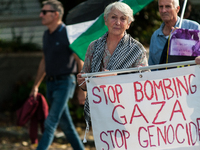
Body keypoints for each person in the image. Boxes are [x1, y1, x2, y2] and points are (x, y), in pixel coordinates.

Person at [77, 1, 148, 131]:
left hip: (128, 113)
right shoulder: (93, 47)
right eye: (114, 17)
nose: (118, 22)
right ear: (105, 20)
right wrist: (82, 82)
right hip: (100, 111)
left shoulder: (137, 49)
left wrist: (117, 78)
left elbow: (144, 83)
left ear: (129, 24)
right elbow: (85, 82)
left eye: (123, 19)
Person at [29, 0, 85, 149]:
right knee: (66, 125)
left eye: (44, 12)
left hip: (66, 83)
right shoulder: (47, 35)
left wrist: (82, 89)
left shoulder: (68, 33)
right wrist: (36, 86)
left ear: (55, 15)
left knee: (50, 121)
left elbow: (79, 61)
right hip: (51, 83)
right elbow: (44, 61)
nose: (41, 15)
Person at [148, 0, 200, 66]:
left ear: (177, 9)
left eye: (168, 6)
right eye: (161, 7)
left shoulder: (193, 27)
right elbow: (151, 67)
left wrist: (184, 36)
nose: (163, 10)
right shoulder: (155, 36)